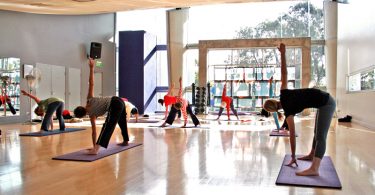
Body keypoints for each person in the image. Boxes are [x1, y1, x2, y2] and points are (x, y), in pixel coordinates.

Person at [263, 43, 336, 176]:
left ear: (272, 110)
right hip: (324, 101)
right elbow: (284, 72)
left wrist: (293, 156)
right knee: (316, 132)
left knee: (321, 136)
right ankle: (311, 155)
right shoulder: (283, 93)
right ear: (273, 101)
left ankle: (314, 169)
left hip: (327, 103)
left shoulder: (288, 112)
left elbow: (292, 135)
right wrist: (283, 53)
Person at [73, 58, 129, 155]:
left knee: (108, 126)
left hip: (114, 104)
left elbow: (94, 132)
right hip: (119, 100)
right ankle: (125, 140)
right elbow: (91, 83)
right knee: (122, 121)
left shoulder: (91, 115)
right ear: (81, 106)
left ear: (82, 116)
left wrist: (94, 146)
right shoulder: (89, 100)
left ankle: (96, 150)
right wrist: (91, 68)